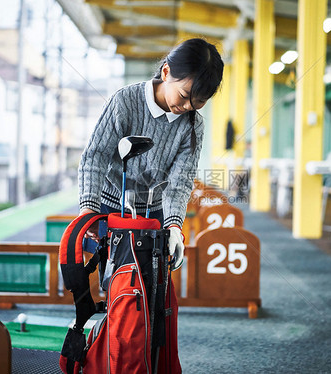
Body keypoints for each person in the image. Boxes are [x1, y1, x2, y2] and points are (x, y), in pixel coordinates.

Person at [78, 38, 224, 269]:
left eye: (199, 102)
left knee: (148, 286)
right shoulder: (124, 101)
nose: (188, 107)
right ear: (166, 72)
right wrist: (89, 210)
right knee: (106, 282)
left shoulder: (193, 125)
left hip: (152, 213)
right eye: (184, 95)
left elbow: (179, 181)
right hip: (107, 208)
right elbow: (95, 157)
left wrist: (174, 225)